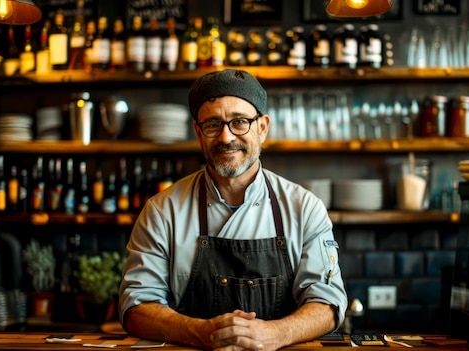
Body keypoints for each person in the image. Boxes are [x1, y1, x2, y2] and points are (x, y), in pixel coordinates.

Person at [119, 69, 347, 351]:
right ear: (198, 133)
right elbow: (136, 307)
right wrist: (200, 332)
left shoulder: (303, 207)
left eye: (240, 122)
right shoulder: (162, 211)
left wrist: (274, 334)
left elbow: (327, 303)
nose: (226, 137)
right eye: (213, 124)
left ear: (262, 127)